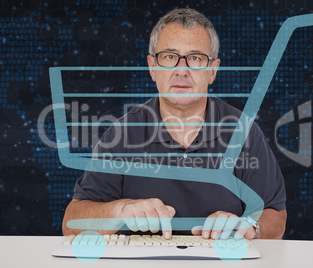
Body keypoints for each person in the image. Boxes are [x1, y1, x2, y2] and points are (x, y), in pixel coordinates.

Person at [62, 8, 286, 241]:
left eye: (195, 59)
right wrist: (120, 210)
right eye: (169, 57)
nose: (182, 71)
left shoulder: (244, 132)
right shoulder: (120, 135)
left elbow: (276, 215)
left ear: (213, 71)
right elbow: (72, 223)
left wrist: (249, 226)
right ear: (152, 67)